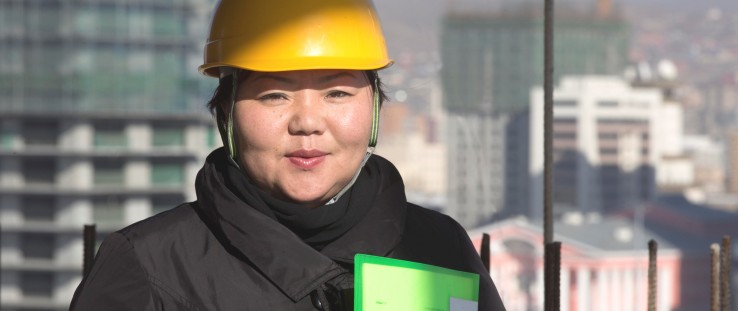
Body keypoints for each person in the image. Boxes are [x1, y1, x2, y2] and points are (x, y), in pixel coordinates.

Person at [70, 0, 506, 310]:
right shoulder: (150, 265)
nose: (307, 122)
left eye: (336, 92)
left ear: (374, 110)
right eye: (275, 95)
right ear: (226, 114)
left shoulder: (438, 247)